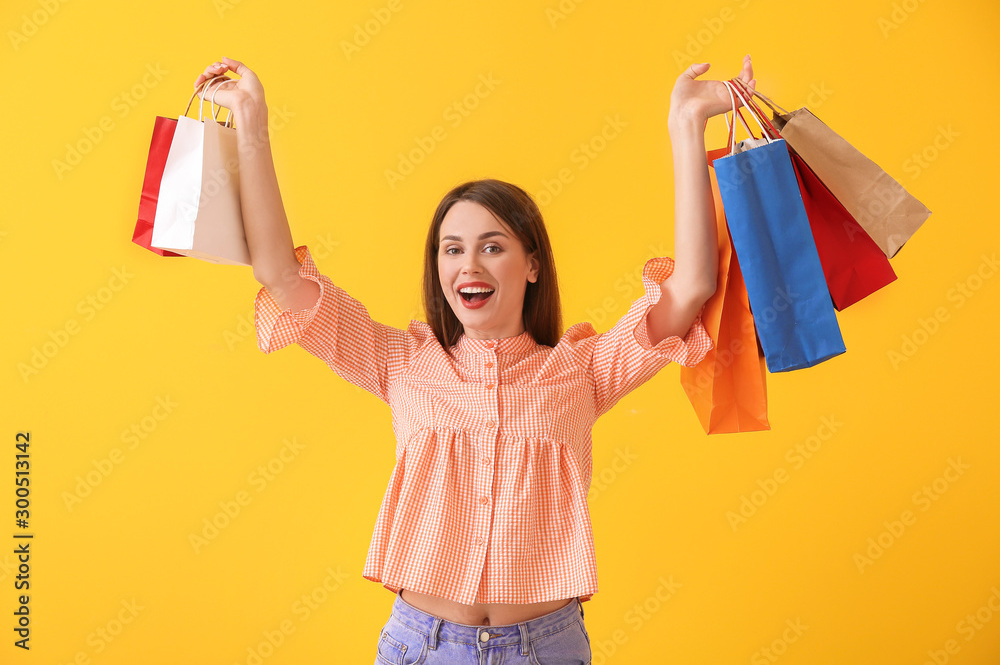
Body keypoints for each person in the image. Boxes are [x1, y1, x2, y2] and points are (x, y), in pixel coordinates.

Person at [193, 54, 755, 664]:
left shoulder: (581, 370)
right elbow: (280, 276)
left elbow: (694, 282)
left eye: (493, 246)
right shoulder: (400, 363)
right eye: (452, 249)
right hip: (422, 645)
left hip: (546, 649)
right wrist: (251, 122)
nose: (469, 266)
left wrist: (686, 124)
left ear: (532, 264)